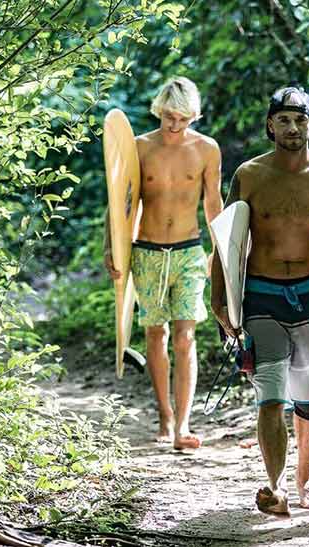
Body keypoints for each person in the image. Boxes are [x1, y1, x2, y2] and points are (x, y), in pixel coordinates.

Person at [210, 86, 309, 514]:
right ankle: (275, 486)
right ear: (270, 125)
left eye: (300, 120)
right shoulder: (249, 174)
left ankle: (306, 479)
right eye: (284, 119)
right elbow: (226, 243)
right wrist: (219, 300)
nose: (292, 127)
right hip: (262, 296)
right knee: (271, 394)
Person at [104, 77, 223, 450]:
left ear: (193, 116)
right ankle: (164, 414)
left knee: (186, 337)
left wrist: (219, 251)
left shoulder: (206, 149)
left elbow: (212, 203)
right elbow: (121, 204)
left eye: (183, 118)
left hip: (189, 249)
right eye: (169, 116)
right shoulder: (139, 148)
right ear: (159, 111)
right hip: (147, 251)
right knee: (156, 334)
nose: (175, 125)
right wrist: (113, 248)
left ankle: (183, 423)